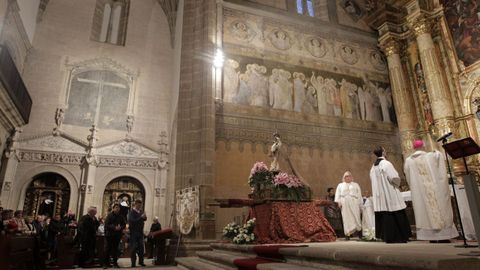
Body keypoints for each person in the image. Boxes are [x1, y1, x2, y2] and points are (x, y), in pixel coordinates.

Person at [404, 139, 458, 242]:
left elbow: (408, 177)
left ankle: (431, 237)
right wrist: (438, 152)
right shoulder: (431, 156)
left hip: (420, 192)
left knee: (424, 212)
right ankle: (443, 237)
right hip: (434, 189)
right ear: (423, 146)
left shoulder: (409, 161)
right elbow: (440, 165)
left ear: (414, 148)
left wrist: (415, 187)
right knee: (440, 208)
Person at [370, 146, 411, 243]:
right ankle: (400, 236)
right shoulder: (386, 163)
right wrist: (398, 184)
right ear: (383, 152)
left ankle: (388, 237)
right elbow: (394, 178)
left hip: (381, 196)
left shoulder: (373, 166)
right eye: (385, 150)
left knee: (386, 215)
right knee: (395, 212)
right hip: (390, 193)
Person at [334, 171, 362, 239]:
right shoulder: (340, 185)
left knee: (356, 217)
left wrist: (360, 204)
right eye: (346, 176)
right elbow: (337, 195)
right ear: (344, 177)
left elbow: (359, 195)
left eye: (349, 176)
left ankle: (360, 233)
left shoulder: (355, 184)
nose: (348, 177)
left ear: (351, 177)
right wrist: (339, 202)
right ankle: (347, 234)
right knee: (346, 219)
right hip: (345, 203)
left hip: (354, 202)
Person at [104, 203, 126, 268]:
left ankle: (115, 263)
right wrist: (114, 227)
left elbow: (124, 224)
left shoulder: (121, 216)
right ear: (113, 208)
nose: (117, 209)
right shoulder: (109, 215)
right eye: (116, 207)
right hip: (109, 235)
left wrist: (120, 227)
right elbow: (107, 224)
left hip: (117, 235)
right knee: (107, 249)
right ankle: (105, 264)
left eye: (118, 207)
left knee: (115, 250)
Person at [128, 199, 147, 267]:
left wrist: (144, 217)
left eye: (140, 205)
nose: (139, 206)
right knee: (133, 248)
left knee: (141, 247)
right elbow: (132, 221)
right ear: (135, 204)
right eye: (138, 205)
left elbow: (144, 219)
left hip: (140, 232)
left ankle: (141, 261)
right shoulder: (131, 212)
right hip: (134, 232)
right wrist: (140, 217)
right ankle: (133, 263)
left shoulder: (141, 211)